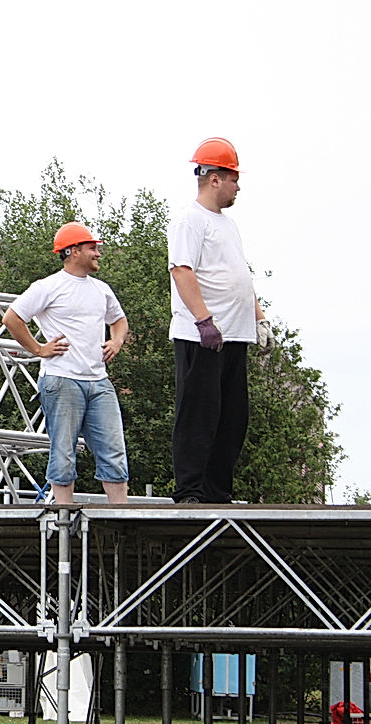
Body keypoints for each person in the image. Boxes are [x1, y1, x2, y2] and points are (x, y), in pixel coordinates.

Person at [167, 137, 273, 504]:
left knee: (231, 418)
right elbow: (182, 271)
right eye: (233, 178)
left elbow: (239, 275)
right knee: (199, 415)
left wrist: (259, 319)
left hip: (234, 335)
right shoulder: (190, 220)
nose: (238, 186)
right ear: (214, 178)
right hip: (203, 336)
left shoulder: (228, 225)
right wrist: (203, 321)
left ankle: (217, 491)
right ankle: (190, 491)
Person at [3, 222, 130, 504]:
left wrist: (116, 341)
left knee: (114, 449)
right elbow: (12, 318)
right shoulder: (49, 286)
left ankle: (122, 518)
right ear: (73, 251)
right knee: (63, 451)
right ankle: (63, 515)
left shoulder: (102, 289)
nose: (98, 253)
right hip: (61, 379)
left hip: (98, 380)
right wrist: (38, 349)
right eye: (92, 248)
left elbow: (119, 320)